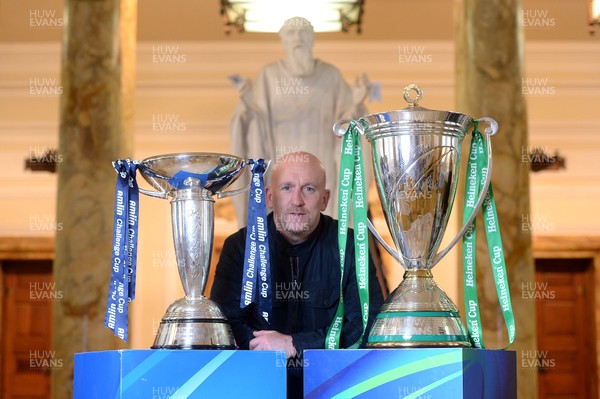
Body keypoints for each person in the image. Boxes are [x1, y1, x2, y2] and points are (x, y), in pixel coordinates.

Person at [210, 152, 383, 399]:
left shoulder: (352, 247)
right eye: (287, 188)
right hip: (258, 389)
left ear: (325, 199)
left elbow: (369, 327)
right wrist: (266, 348)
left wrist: (293, 344)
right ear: (270, 197)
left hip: (335, 388)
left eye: (309, 189)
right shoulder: (239, 247)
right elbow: (224, 326)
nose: (297, 200)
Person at [228, 16, 372, 225]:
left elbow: (347, 124)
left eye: (303, 33)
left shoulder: (330, 76)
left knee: (323, 229)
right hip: (280, 165)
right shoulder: (269, 76)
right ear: (283, 40)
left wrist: (356, 106)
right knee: (281, 229)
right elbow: (253, 124)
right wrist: (246, 107)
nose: (298, 38)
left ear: (312, 39)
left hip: (323, 167)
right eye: (291, 33)